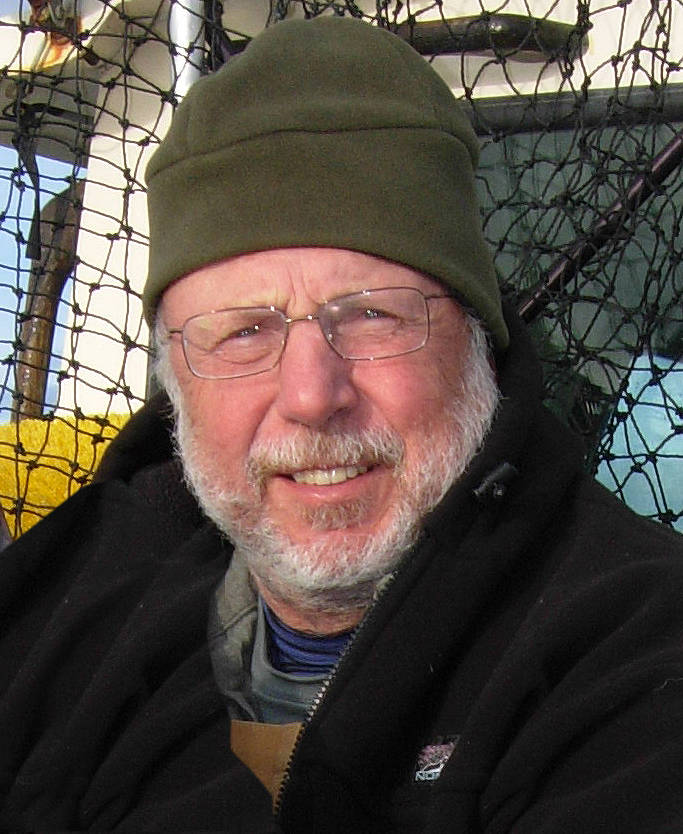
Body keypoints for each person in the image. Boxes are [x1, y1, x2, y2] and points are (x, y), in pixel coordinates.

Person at [2, 15, 683, 833]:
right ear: (174, 378)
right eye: (242, 332)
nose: (309, 394)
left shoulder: (637, 659)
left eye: (370, 316)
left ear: (476, 341)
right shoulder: (71, 602)